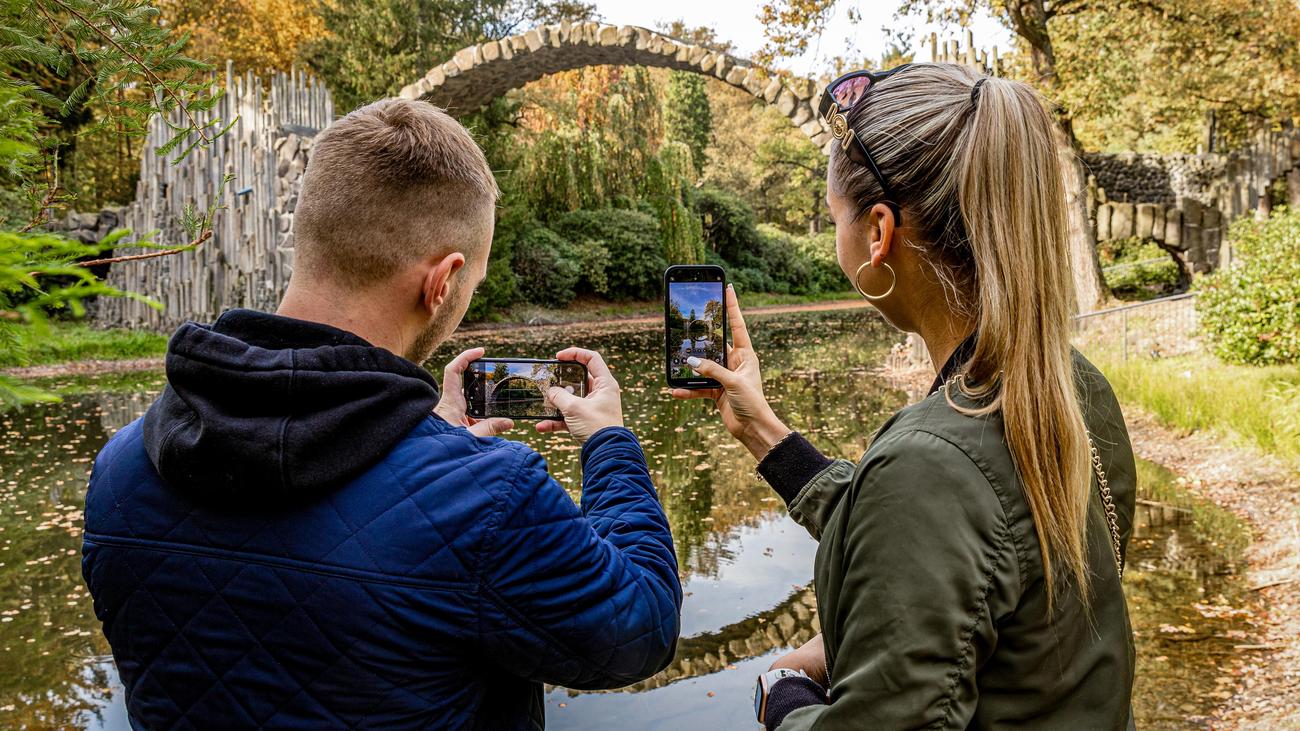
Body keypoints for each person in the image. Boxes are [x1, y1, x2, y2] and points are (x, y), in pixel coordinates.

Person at [81, 99, 682, 730]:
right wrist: (609, 444)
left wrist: (428, 443)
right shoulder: (491, 498)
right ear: (443, 281)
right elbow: (640, 627)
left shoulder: (124, 464)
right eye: (472, 280)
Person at [677, 63, 1136, 729]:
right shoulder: (1069, 384)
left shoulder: (930, 464)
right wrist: (763, 433)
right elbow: (956, 534)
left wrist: (784, 697)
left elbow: (929, 511)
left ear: (878, 234)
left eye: (834, 216)